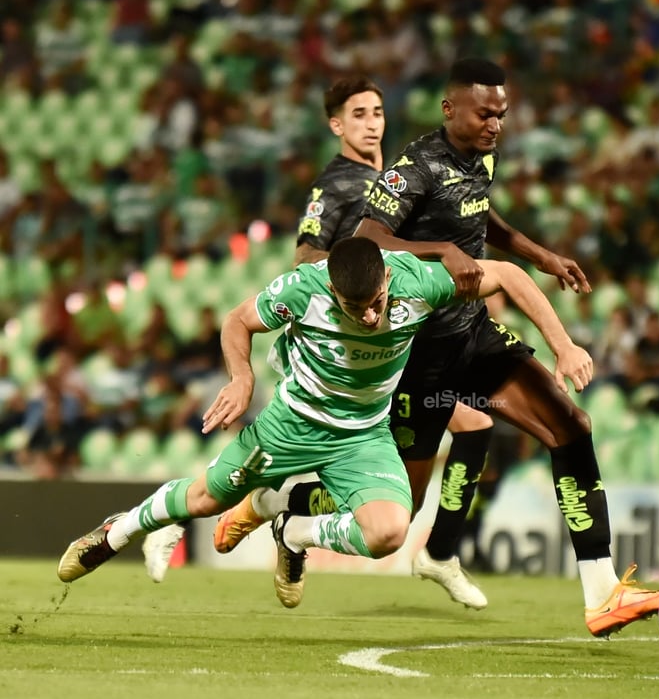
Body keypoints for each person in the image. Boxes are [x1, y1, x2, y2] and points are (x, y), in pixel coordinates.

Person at [214, 58, 659, 637]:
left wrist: (539, 254)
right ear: (450, 109)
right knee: (402, 504)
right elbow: (367, 238)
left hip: (471, 334)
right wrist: (438, 250)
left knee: (570, 424)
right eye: (484, 113)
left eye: (501, 114)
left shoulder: (481, 156)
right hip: (413, 357)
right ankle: (284, 511)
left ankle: (601, 592)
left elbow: (481, 217)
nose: (495, 124)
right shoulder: (412, 167)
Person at [57, 238, 595, 610]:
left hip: (363, 435)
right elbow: (238, 320)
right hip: (290, 425)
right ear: (333, 289)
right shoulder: (302, 288)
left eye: (376, 302)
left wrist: (563, 344)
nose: (367, 316)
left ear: (388, 276)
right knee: (203, 502)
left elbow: (508, 274)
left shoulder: (420, 281)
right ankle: (120, 529)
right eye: (352, 307)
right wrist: (241, 378)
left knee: (389, 532)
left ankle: (293, 531)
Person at [147, 75, 498, 608]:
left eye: (377, 110)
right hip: (354, 337)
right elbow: (307, 258)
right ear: (337, 125)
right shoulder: (337, 185)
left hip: (403, 327)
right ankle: (263, 512)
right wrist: (353, 281)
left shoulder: (400, 176)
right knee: (451, 439)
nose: (372, 121)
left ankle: (285, 513)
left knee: (469, 431)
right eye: (358, 114)